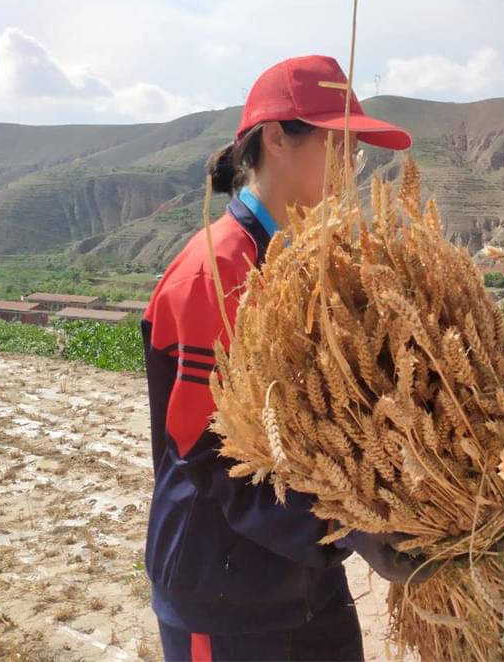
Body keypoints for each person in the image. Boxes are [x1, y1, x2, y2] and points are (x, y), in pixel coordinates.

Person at [142, 55, 429, 662]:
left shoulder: (315, 266)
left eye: (356, 153)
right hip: (222, 591)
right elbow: (205, 451)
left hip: (308, 585)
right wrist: (344, 526)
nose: (351, 169)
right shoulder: (215, 272)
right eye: (339, 145)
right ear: (277, 137)